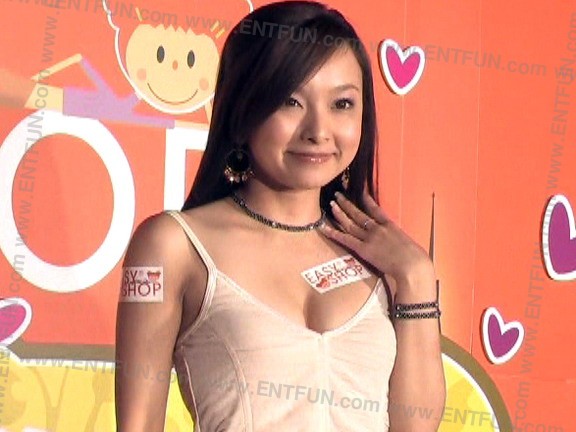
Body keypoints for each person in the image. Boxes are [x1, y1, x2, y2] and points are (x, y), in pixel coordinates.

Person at [115, 1, 446, 431]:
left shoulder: (383, 258)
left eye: (342, 103)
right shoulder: (172, 246)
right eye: (291, 101)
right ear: (242, 112)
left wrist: (416, 278)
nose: (318, 131)